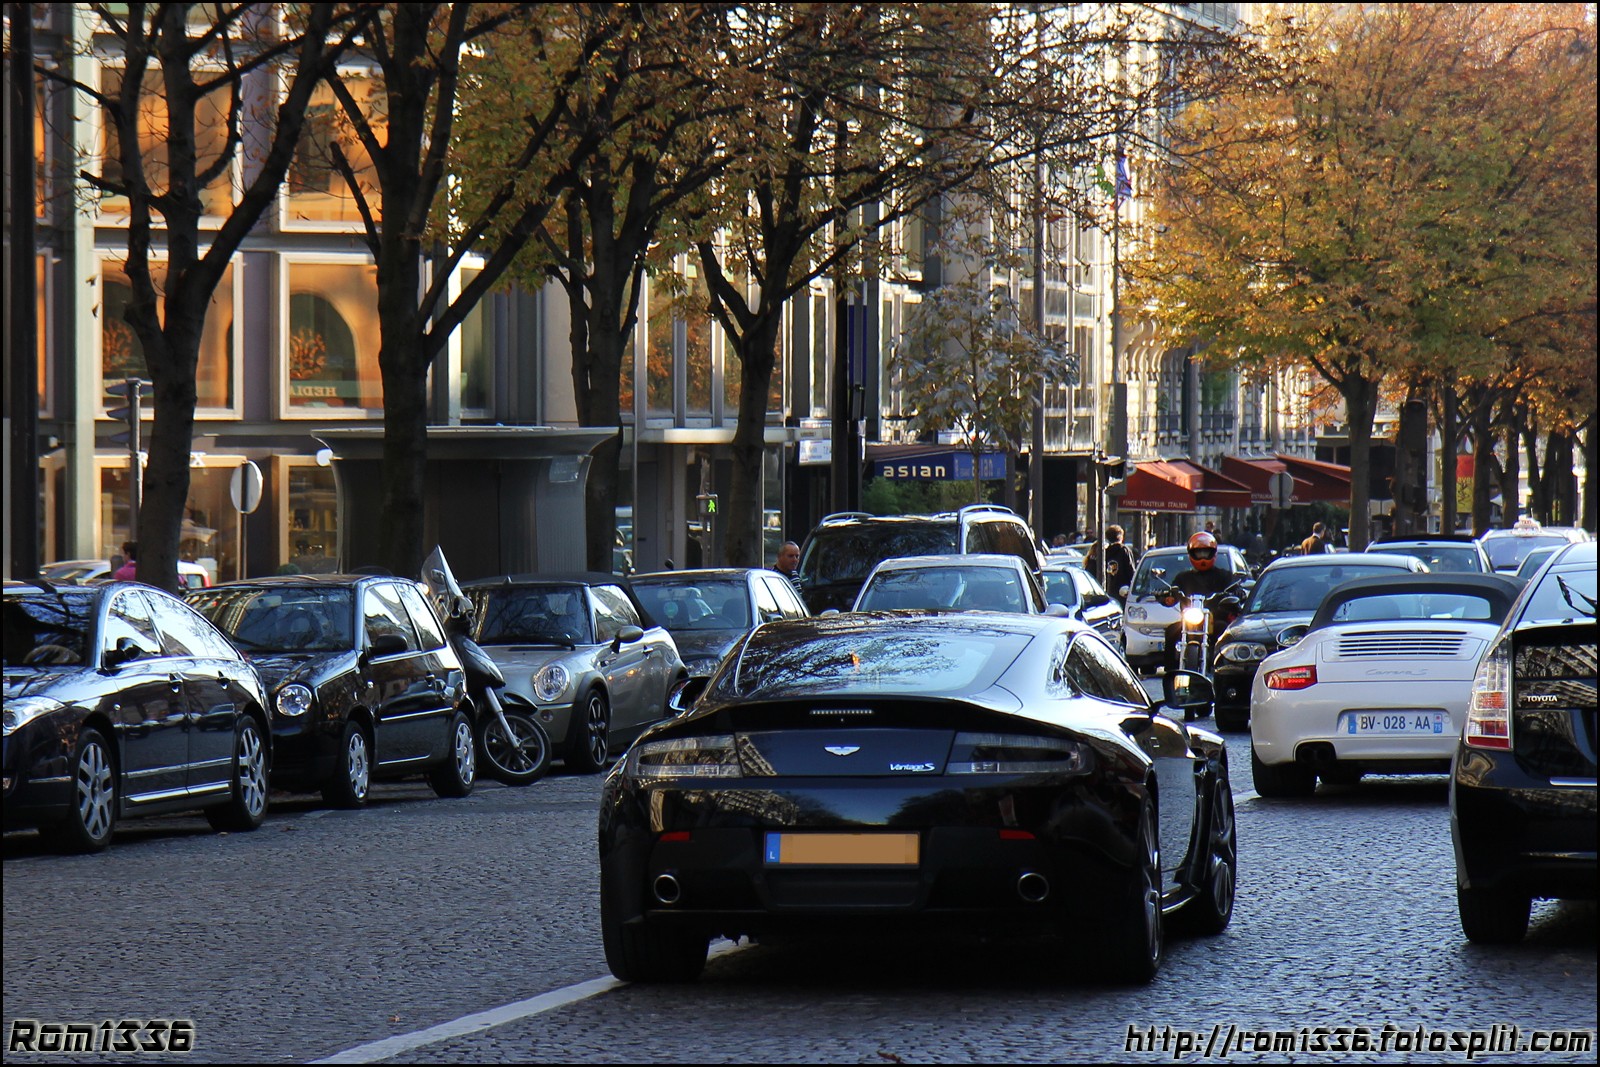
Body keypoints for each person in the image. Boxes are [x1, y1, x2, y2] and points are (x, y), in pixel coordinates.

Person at [1161, 531, 1240, 675]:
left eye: (1206, 553)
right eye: (1198, 553)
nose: (1202, 557)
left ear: (1213, 553)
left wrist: (1237, 593)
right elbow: (1172, 590)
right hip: (1189, 621)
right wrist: (1168, 597)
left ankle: (1226, 670)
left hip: (1215, 619)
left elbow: (1235, 588)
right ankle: (1170, 672)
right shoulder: (1183, 577)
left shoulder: (1224, 576)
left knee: (1225, 631)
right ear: (1191, 554)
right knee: (1171, 631)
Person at [1101, 525, 1136, 601]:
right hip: (1123, 591)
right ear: (1121, 537)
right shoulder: (1124, 550)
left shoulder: (1105, 552)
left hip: (1109, 591)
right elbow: (1131, 570)